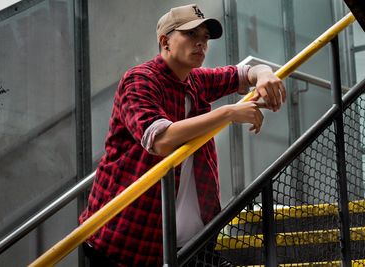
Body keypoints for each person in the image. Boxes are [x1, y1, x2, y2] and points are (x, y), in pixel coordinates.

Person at [79, 3, 286, 267]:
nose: (201, 43)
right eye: (191, 35)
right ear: (165, 41)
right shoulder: (140, 80)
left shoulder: (195, 80)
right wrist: (228, 114)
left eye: (205, 38)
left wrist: (265, 74)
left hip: (192, 240)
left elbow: (244, 72)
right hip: (127, 240)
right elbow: (161, 140)